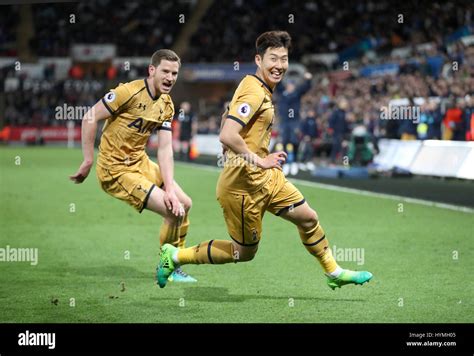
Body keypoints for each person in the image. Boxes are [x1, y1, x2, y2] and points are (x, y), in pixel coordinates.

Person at [157, 31, 372, 290]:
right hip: (242, 187)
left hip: (267, 179)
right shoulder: (254, 91)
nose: (279, 65)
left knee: (308, 218)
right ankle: (176, 255)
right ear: (258, 59)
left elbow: (226, 123)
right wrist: (258, 161)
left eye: (284, 59)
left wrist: (254, 160)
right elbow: (227, 134)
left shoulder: (259, 88)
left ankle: (334, 272)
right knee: (243, 253)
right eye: (273, 58)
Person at [70, 49, 196, 283]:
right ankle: (167, 267)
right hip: (115, 169)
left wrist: (169, 187)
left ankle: (174, 263)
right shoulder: (127, 92)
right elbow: (89, 117)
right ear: (152, 70)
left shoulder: (167, 105)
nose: (170, 77)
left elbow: (165, 149)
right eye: (165, 71)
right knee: (171, 210)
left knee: (184, 204)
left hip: (140, 162)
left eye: (174, 73)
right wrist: (88, 159)